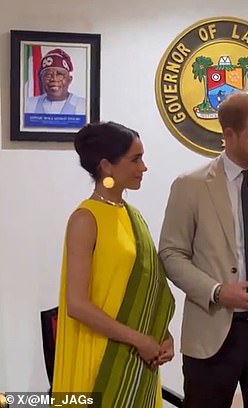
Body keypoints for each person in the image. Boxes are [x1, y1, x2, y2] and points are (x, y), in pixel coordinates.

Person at [159, 90, 248, 408]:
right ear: (228, 134)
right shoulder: (190, 186)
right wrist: (217, 291)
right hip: (212, 331)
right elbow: (171, 254)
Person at [53, 122, 175, 407]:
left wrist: (161, 335)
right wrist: (139, 340)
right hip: (100, 356)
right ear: (107, 166)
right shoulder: (85, 219)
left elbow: (144, 289)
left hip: (136, 355)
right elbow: (77, 304)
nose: (143, 167)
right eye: (135, 159)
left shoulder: (134, 216)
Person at [24, 48, 86, 115]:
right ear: (41, 79)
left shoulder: (83, 106)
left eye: (60, 74)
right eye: (48, 75)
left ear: (69, 80)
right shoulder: (28, 105)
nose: (54, 79)